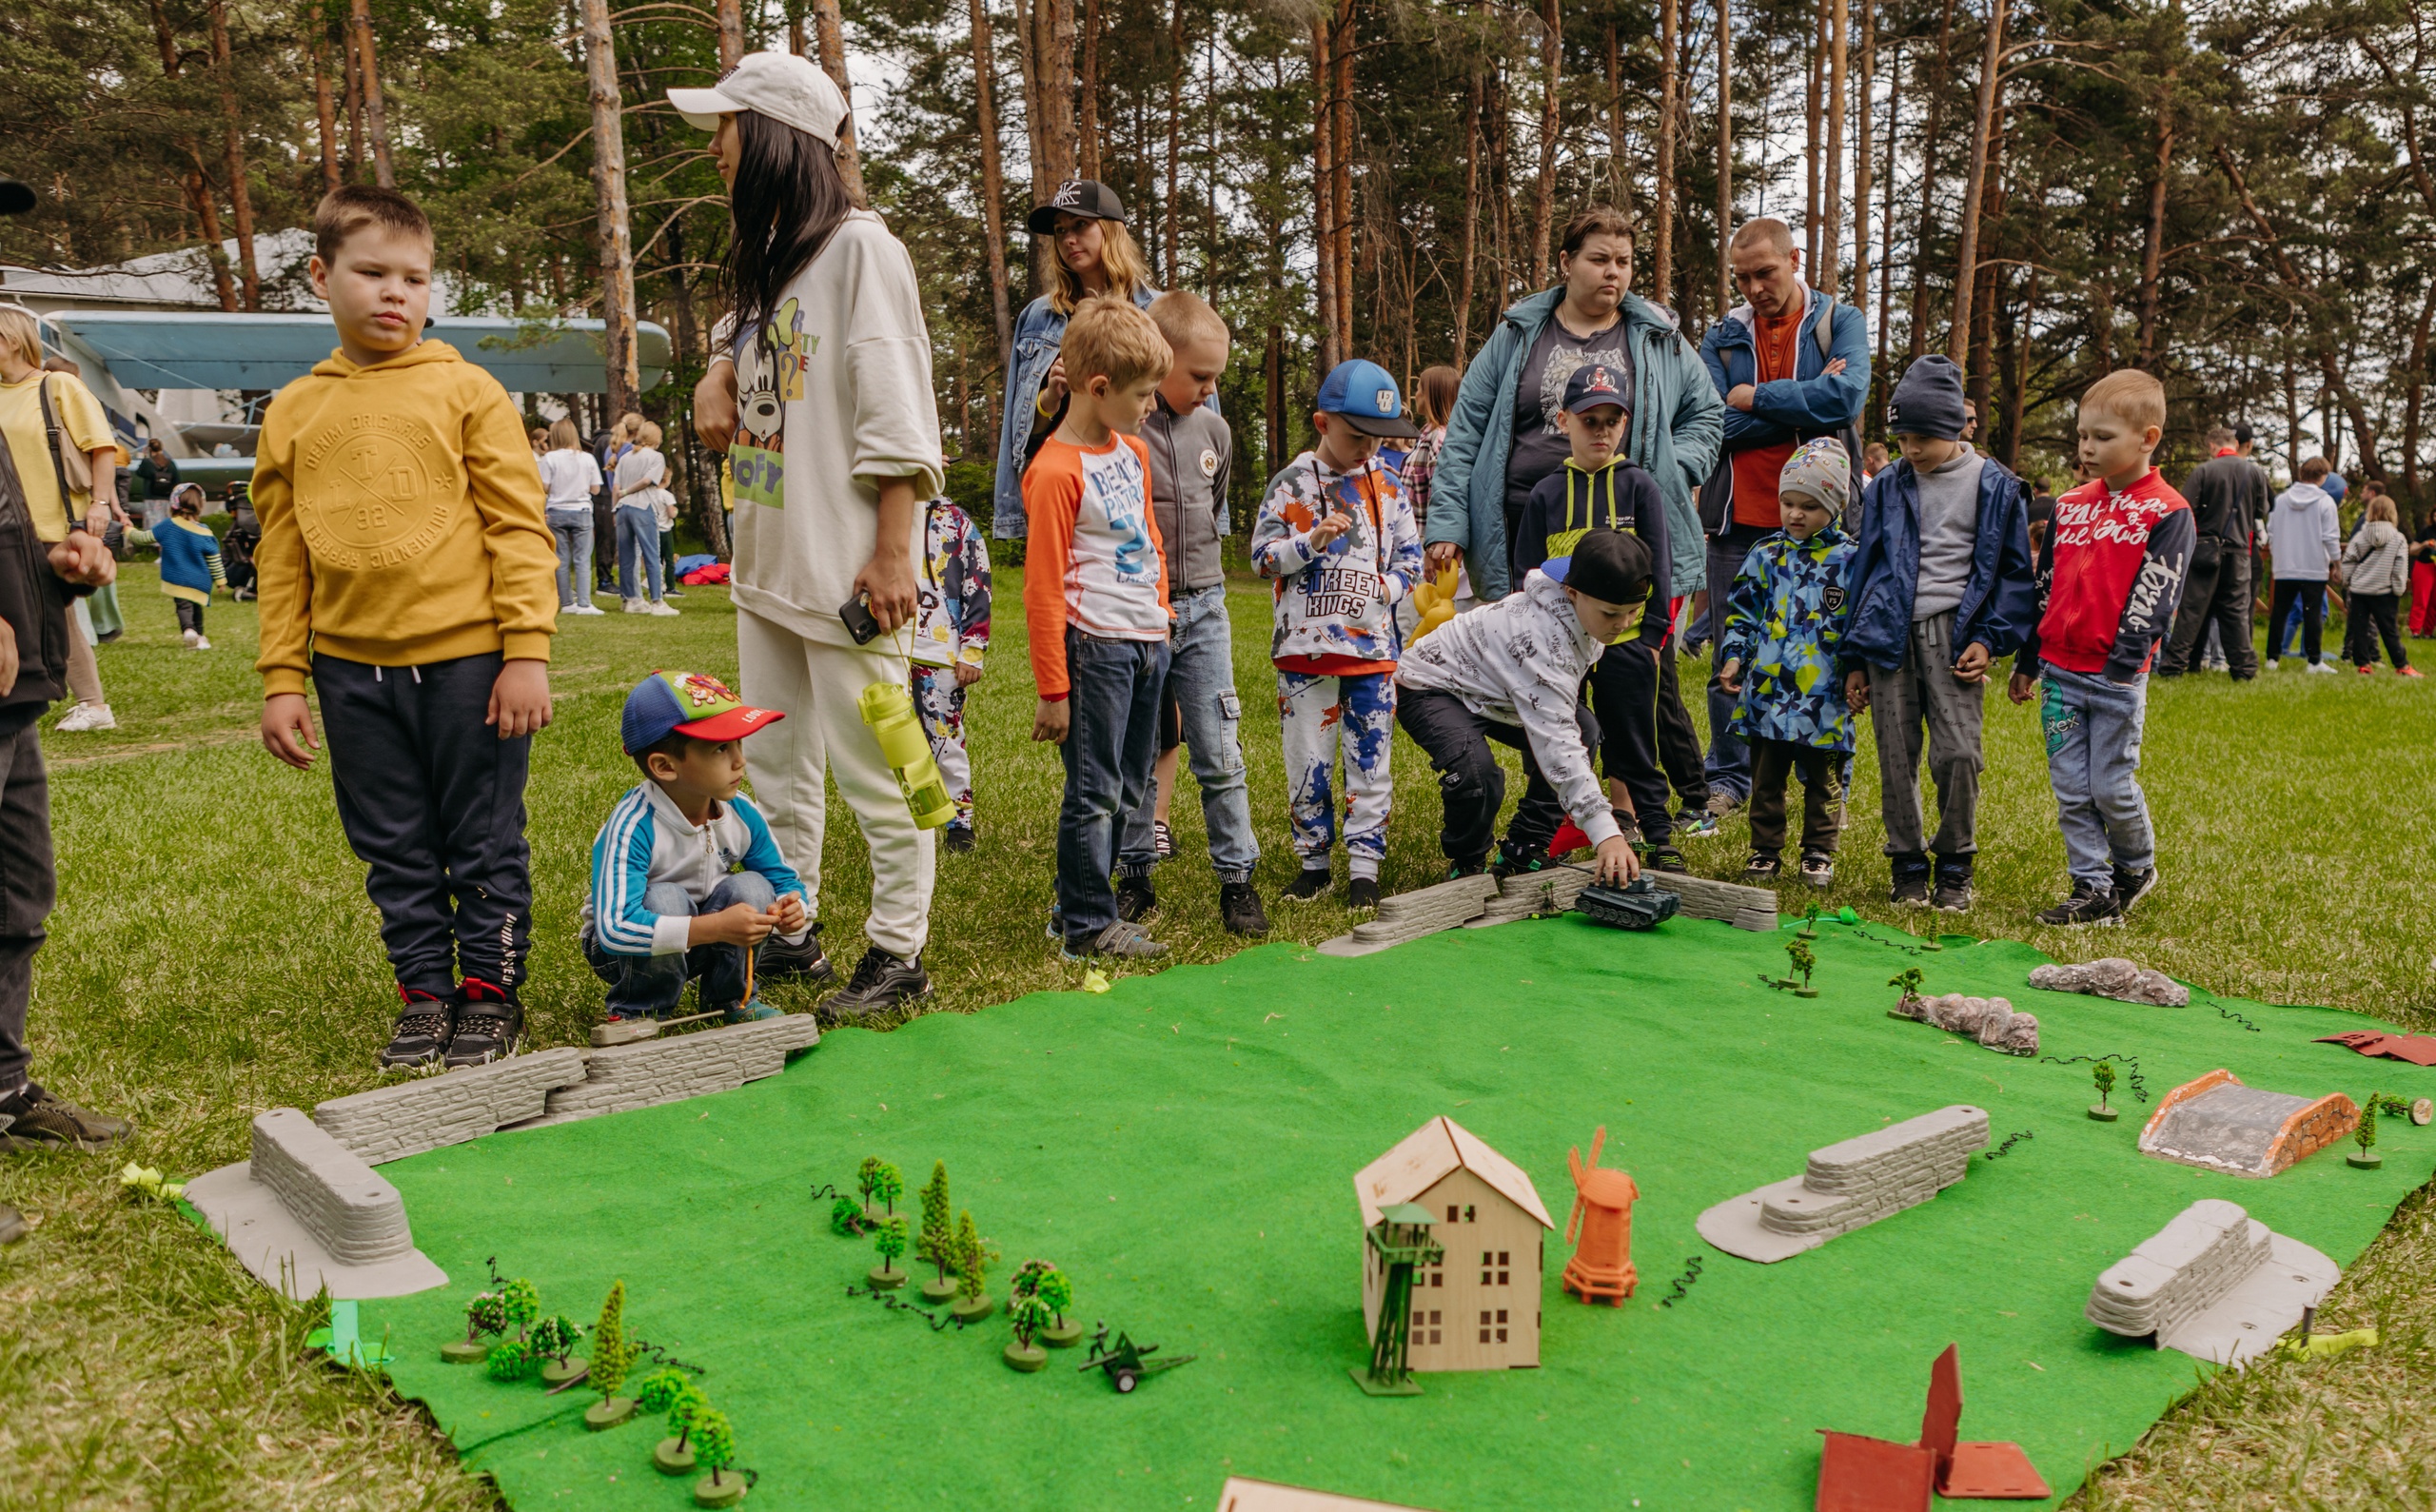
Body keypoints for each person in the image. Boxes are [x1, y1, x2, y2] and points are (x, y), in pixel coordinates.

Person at [253, 184, 560, 1070]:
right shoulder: (293, 410)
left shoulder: (468, 390)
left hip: (473, 667)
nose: (395, 293)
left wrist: (526, 652)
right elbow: (283, 557)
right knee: (391, 844)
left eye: (415, 279)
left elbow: (518, 528)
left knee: (483, 838)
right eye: (372, 273)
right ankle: (424, 994)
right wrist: (283, 678)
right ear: (321, 277)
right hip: (352, 674)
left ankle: (491, 995)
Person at [675, 51, 946, 1014]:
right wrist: (713, 369)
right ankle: (795, 930)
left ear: (774, 136)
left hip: (850, 577)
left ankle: (900, 949)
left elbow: (897, 412)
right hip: (769, 569)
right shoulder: (778, 256)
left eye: (726, 126)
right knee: (778, 767)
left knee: (887, 764)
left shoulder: (862, 250)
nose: (714, 147)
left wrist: (892, 553)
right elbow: (748, 336)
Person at [1426, 207, 1723, 838]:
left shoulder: (1658, 336)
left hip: (1623, 531)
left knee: (1628, 675)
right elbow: (1467, 428)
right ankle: (1554, 810)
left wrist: (1671, 469)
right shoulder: (1518, 333)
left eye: (1624, 261)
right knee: (1543, 665)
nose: (1613, 272)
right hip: (1528, 527)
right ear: (1566, 263)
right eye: (1598, 259)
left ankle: (1623, 810)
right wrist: (1448, 522)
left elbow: (1707, 414)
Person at [1838, 355, 2035, 911]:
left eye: (1922, 438)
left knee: (1958, 754)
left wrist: (1989, 639)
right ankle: (1906, 865)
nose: (1910, 450)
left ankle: (1954, 864)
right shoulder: (1886, 486)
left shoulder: (1998, 487)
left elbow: (2014, 577)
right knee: (1895, 755)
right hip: (1888, 638)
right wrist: (1854, 658)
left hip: (1957, 635)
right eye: (1901, 439)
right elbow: (1865, 572)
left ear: (1954, 428)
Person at [1694, 217, 1871, 816]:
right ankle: (1728, 779)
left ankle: (1826, 779)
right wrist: (1806, 399)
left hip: (1825, 528)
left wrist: (1754, 397)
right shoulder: (1721, 337)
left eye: (1765, 273)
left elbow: (1846, 399)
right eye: (1742, 278)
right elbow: (1714, 424)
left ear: (1794, 259)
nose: (1754, 288)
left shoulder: (1838, 321)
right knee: (1731, 650)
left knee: (1826, 649)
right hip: (1737, 521)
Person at [2008, 368, 2191, 927]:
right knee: (2071, 788)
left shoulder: (2168, 511)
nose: (2087, 448)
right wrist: (2028, 659)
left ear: (2148, 438)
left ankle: (2135, 866)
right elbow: (2044, 587)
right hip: (2058, 674)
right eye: (2082, 436)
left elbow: (2156, 595)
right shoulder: (2067, 506)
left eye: (2103, 437)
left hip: (2116, 676)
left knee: (2110, 786)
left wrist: (2122, 664)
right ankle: (2091, 887)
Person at [1021, 297, 1174, 959]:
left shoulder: (1133, 451)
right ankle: (1087, 926)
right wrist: (1053, 690)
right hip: (1095, 649)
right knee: (1094, 792)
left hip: (1147, 643)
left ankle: (1073, 906)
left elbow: (1149, 539)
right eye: (1143, 394)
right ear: (1100, 387)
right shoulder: (1054, 472)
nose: (1152, 406)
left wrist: (1162, 618)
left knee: (1129, 786)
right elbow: (1041, 589)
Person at [1251, 358, 1423, 912]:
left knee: (1370, 761)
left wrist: (1385, 589)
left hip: (1372, 653)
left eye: (1379, 438)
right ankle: (1313, 864)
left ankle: (1365, 869)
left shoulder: (1389, 485)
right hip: (1305, 655)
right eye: (1356, 436)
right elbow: (1261, 559)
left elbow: (1411, 563)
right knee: (1308, 762)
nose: (1367, 448)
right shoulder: (1290, 485)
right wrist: (1310, 542)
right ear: (1323, 423)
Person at [1120, 291, 1267, 934]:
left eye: (1216, 377)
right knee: (1137, 750)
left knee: (1219, 748)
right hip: (1137, 610)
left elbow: (1215, 504)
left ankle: (1238, 880)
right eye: (1200, 376)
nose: (1210, 390)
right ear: (1158, 360)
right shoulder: (1123, 430)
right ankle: (1134, 875)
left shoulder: (1216, 431)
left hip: (1205, 606)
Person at [1395, 527, 1651, 885]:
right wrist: (1606, 834)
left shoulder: (1583, 616)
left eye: (1633, 612)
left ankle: (1524, 846)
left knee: (1585, 730)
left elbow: (1560, 725)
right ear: (1573, 592)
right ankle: (1467, 864)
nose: (1623, 624)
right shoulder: (1540, 640)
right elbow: (1557, 745)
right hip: (1432, 685)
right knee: (1477, 773)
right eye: (1611, 614)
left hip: (1499, 690)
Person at [1509, 363, 1677, 871]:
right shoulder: (1545, 492)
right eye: (1589, 420)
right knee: (1562, 731)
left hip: (1626, 642)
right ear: (1564, 421)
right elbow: (1526, 572)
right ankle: (1552, 830)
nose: (1601, 431)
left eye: (1612, 420)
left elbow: (1660, 565)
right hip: (1559, 649)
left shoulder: (1639, 486)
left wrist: (1652, 636)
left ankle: (1657, 832)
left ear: (1625, 423)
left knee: (1633, 738)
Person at [584, 672, 809, 1026]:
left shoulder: (740, 811)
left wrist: (792, 906)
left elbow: (783, 880)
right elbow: (616, 930)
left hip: (706, 935)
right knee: (666, 899)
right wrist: (715, 927)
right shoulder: (633, 825)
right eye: (721, 748)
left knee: (752, 887)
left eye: (738, 743)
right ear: (665, 766)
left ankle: (732, 999)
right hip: (623, 953)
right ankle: (638, 1012)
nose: (740, 760)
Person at [1719, 440, 1858, 887]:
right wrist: (1734, 656)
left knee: (1824, 779)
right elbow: (1742, 612)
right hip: (1769, 692)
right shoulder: (1766, 554)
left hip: (1824, 695)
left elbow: (1861, 624)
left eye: (1810, 506)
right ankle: (1765, 850)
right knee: (1766, 777)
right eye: (1788, 503)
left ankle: (1819, 851)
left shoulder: (1850, 560)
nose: (1796, 514)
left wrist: (1860, 672)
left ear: (1836, 506)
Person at [992, 178, 1157, 543]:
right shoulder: (1038, 317)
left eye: (1080, 225)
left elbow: (1192, 414)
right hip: (1067, 494)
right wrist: (1049, 399)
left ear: (1111, 230)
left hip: (1139, 493)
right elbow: (1022, 431)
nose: (1069, 239)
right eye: (1060, 230)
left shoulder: (1156, 311)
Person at [0, 312, 124, 735]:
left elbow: (102, 447)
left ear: (13, 341)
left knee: (58, 620)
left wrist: (100, 504)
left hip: (55, 527)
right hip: (10, 530)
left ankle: (93, 704)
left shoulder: (57, 386)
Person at [910, 494, 992, 849]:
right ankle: (911, 817)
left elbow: (979, 582)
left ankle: (959, 822)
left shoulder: (956, 521)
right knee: (895, 740)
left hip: (939, 650)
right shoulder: (877, 509)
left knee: (944, 739)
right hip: (887, 647)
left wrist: (972, 649)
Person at [2157, 424, 2269, 679]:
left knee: (2191, 610)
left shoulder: (2204, 471)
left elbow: (2186, 509)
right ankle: (2244, 670)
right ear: (2235, 444)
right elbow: (2261, 511)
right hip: (2240, 552)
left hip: (2206, 550)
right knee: (2236, 612)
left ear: (2211, 446)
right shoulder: (2255, 472)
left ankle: (2174, 667)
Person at [2264, 457, 2341, 674]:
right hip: (2314, 566)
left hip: (2285, 566)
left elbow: (2271, 532)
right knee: (2313, 614)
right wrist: (2337, 564)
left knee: (2279, 612)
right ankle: (2314, 661)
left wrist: (2278, 555)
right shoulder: (2325, 502)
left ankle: (2272, 659)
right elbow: (2331, 537)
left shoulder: (2281, 500)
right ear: (2323, 477)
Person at [2339, 493, 2414, 675]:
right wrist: (2398, 589)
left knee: (2360, 629)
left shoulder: (2360, 536)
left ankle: (2363, 664)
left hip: (2359, 590)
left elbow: (2348, 561)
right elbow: (2400, 568)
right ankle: (2401, 665)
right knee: (2389, 630)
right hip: (2385, 592)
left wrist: (2347, 581)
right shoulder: (2398, 538)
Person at [540, 418, 607, 616]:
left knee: (561, 558)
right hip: (581, 510)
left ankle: (567, 602)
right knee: (582, 558)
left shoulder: (549, 458)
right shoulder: (587, 458)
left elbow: (544, 486)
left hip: (556, 511)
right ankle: (584, 604)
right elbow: (595, 489)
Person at [613, 418, 678, 615]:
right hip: (643, 506)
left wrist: (615, 508)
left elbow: (615, 487)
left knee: (626, 557)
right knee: (652, 555)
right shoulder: (656, 457)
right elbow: (647, 481)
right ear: (656, 439)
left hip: (623, 508)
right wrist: (627, 491)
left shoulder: (625, 457)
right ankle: (657, 601)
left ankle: (631, 600)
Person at [155, 482, 226, 648]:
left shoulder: (168, 526)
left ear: (174, 503)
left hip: (178, 578)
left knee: (183, 606)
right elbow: (214, 559)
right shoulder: (205, 531)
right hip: (200, 580)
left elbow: (144, 537)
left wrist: (127, 529)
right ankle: (199, 637)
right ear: (200, 504)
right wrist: (221, 580)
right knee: (197, 608)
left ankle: (188, 630)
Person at [222, 481, 261, 599]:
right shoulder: (247, 530)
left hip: (233, 566)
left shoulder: (241, 527)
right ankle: (251, 590)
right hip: (238, 566)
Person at [134, 437, 180, 528]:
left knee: (151, 524)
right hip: (166, 498)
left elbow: (139, 472)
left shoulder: (147, 462)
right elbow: (177, 480)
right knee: (165, 524)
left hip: (150, 498)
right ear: (161, 448)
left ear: (149, 449)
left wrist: (144, 457)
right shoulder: (170, 463)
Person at [2410, 512, 2436, 638]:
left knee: (2434, 602)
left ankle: (2428, 632)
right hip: (2424, 566)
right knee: (2421, 600)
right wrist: (2424, 545)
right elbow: (2412, 550)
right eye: (2435, 516)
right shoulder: (2427, 532)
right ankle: (2415, 631)